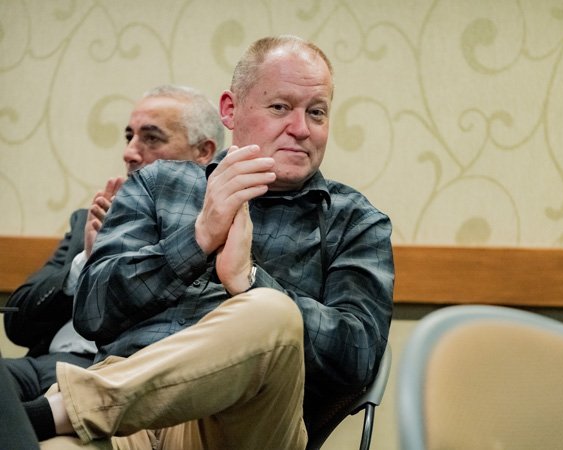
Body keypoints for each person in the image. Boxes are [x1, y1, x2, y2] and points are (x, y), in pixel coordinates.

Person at [33, 35, 394, 450]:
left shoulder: (355, 221)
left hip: (243, 427)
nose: (300, 129)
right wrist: (198, 239)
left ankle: (57, 411)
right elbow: (92, 313)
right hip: (122, 426)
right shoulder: (158, 184)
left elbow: (358, 360)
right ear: (230, 110)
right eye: (280, 107)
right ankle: (68, 414)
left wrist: (249, 280)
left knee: (270, 310)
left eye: (316, 112)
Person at [3, 84, 224, 402]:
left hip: (117, 377)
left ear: (203, 152)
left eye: (151, 138)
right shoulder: (90, 219)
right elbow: (17, 324)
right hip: (38, 365)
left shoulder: (213, 235)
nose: (129, 153)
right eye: (129, 137)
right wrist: (86, 261)